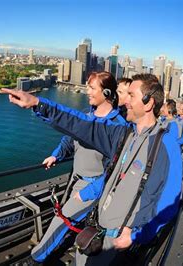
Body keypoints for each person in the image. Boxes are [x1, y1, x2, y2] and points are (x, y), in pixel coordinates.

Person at [2, 73, 182, 265]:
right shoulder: (125, 134)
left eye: (131, 95)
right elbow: (82, 126)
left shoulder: (165, 145)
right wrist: (38, 103)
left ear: (148, 103)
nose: (125, 101)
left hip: (116, 239)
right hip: (97, 226)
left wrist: (138, 234)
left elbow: (169, 198)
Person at [31, 72, 127, 263]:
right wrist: (56, 155)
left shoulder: (118, 127)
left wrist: (87, 193)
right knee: (72, 221)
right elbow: (68, 139)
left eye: (92, 88)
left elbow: (115, 171)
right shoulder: (86, 115)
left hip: (92, 187)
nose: (87, 92)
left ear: (107, 92)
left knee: (61, 220)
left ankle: (36, 258)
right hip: (75, 180)